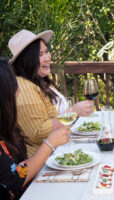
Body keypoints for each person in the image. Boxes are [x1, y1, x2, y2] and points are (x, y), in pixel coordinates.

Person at [7, 29, 94, 157]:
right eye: (40, 54)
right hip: (43, 163)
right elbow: (38, 132)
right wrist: (73, 112)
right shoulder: (23, 86)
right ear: (27, 59)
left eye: (47, 51)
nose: (47, 57)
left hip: (60, 150)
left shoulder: (40, 80)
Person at [0, 62, 71, 200]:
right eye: (14, 99)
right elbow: (15, 178)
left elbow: (15, 166)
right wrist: (50, 144)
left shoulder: (7, 128)